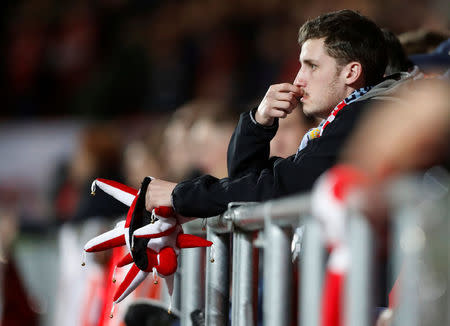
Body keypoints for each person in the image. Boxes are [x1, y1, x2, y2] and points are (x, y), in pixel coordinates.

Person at [145, 9, 393, 218]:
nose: (298, 80)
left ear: (351, 73)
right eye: (300, 66)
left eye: (312, 66)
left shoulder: (368, 116)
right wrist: (258, 123)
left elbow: (278, 189)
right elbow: (248, 181)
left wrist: (180, 195)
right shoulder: (357, 114)